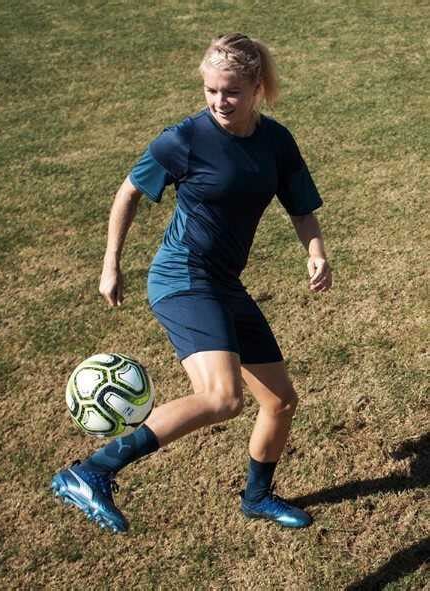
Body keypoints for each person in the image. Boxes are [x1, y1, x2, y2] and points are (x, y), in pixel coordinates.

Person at [52, 32, 332, 533]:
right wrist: (111, 263)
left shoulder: (276, 141)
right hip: (181, 277)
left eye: (231, 92)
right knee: (222, 398)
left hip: (225, 283)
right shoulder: (185, 138)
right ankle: (91, 471)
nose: (219, 102)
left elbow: (301, 206)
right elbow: (129, 192)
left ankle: (257, 497)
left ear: (257, 89)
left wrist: (316, 252)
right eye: (210, 91)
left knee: (280, 400)